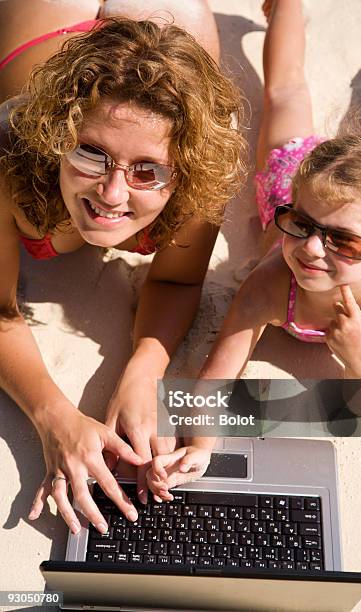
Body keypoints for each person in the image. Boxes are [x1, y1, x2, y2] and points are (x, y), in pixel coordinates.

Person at [0, 0, 246, 534]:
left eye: (146, 171)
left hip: (171, 22)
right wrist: (54, 417)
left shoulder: (199, 170)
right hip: (50, 21)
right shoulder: (9, 166)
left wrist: (144, 369)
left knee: (190, 17)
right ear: (58, 132)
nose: (111, 194)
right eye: (89, 152)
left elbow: (177, 278)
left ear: (181, 171)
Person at [148, 0, 361, 499]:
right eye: (303, 226)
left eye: (345, 243)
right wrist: (201, 448)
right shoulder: (271, 282)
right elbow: (213, 382)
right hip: (296, 176)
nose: (311, 249)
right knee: (284, 90)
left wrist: (360, 359)